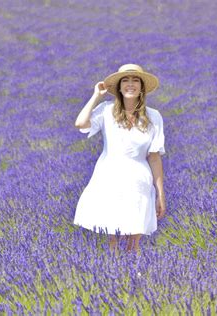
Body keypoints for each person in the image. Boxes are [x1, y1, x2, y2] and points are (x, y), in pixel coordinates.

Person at [73, 64, 166, 253]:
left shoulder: (153, 116)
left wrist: (160, 194)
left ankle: (134, 277)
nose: (130, 84)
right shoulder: (106, 110)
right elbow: (81, 123)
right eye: (125, 80)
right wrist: (96, 96)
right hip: (109, 175)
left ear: (141, 87)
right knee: (112, 238)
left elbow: (154, 157)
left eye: (135, 81)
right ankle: (114, 274)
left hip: (139, 178)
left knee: (134, 240)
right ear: (119, 87)